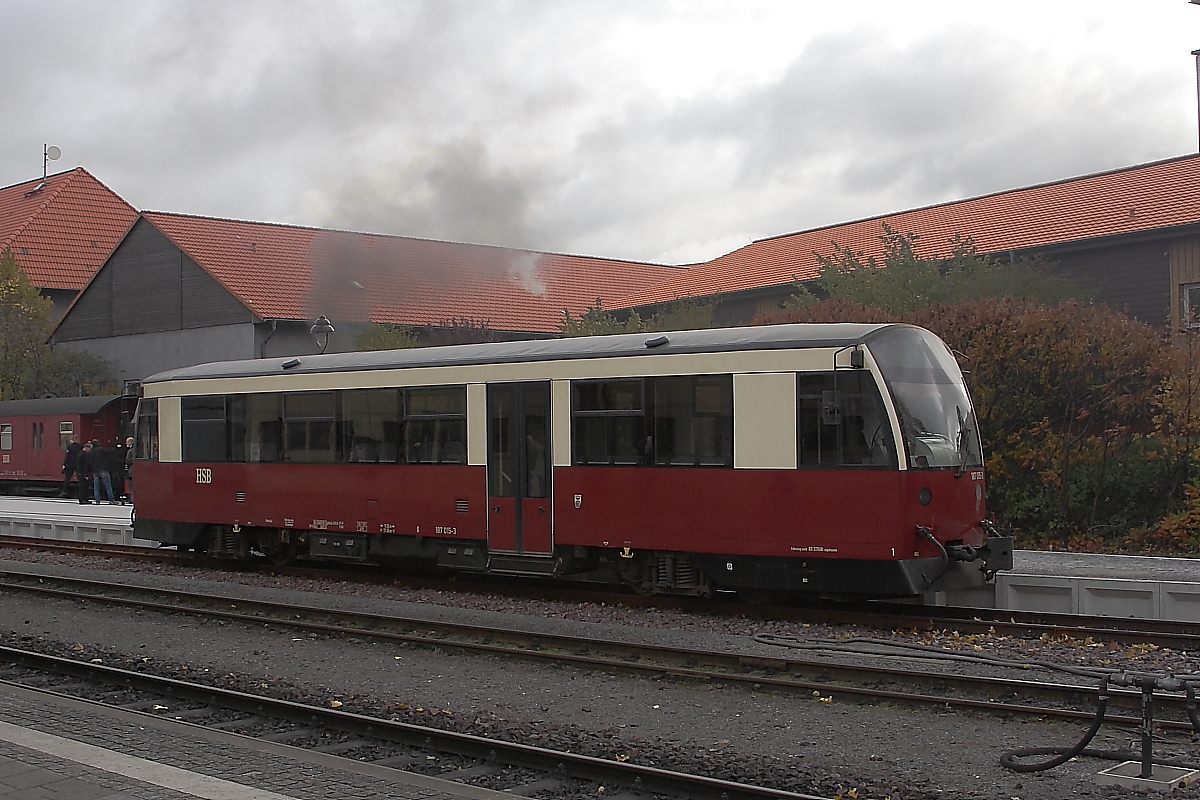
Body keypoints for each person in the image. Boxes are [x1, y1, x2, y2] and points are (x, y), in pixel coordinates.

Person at [122, 436, 135, 503]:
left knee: (131, 486)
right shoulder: (140, 449)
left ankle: (132, 499)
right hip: (135, 471)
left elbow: (127, 461)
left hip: (131, 471)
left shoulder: (130, 451)